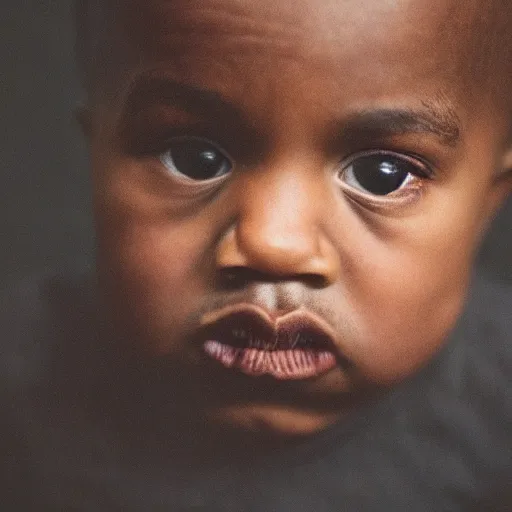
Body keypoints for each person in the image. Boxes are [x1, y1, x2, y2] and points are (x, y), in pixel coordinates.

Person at [2, 0, 511, 509]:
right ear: (96, 162)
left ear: (488, 201)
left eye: (382, 175)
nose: (273, 245)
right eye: (194, 157)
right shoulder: (19, 406)